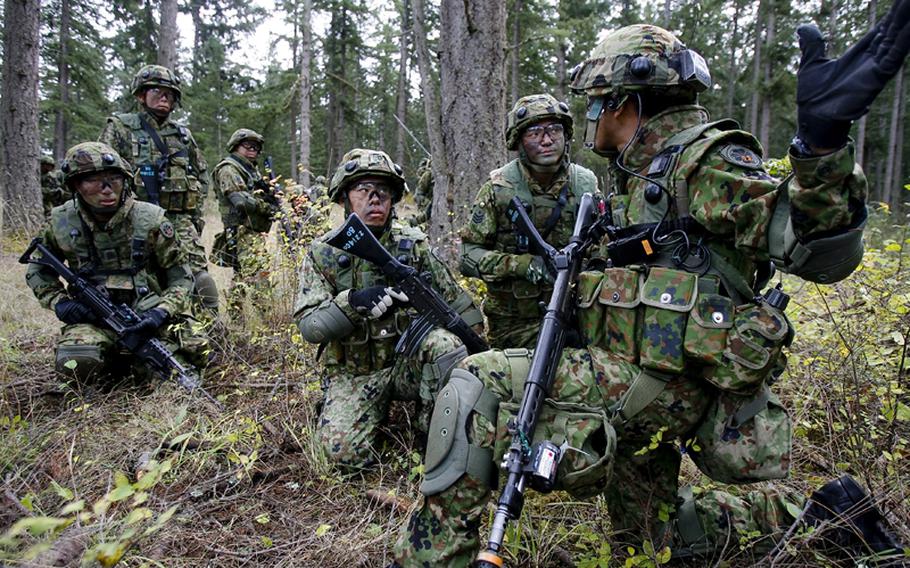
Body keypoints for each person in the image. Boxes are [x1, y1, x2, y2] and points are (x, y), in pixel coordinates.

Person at [394, 21, 908, 567]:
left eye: (596, 104)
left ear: (626, 103)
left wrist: (821, 147)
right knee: (647, 545)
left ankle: (431, 558)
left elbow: (809, 242)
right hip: (638, 365)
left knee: (478, 382)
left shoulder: (703, 161)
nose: (589, 118)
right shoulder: (638, 175)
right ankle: (820, 516)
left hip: (669, 382)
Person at [293, 148, 485, 470]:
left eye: (383, 191)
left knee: (447, 346)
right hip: (355, 373)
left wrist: (481, 359)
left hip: (405, 366)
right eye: (363, 190)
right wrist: (352, 302)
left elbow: (457, 304)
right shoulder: (324, 253)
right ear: (345, 198)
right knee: (342, 457)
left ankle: (431, 438)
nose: (375, 199)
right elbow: (310, 327)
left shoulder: (413, 245)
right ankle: (354, 415)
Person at [26, 142, 208, 383]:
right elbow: (39, 270)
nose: (107, 189)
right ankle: (110, 366)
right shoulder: (62, 222)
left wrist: (161, 312)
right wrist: (60, 303)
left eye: (114, 178)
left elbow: (181, 277)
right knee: (76, 361)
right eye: (94, 181)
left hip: (147, 317)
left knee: (191, 356)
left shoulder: (150, 219)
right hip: (93, 319)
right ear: (76, 185)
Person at [460, 93, 598, 349]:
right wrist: (522, 265)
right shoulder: (499, 189)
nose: (546, 140)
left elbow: (603, 247)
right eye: (534, 132)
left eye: (554, 130)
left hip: (576, 315)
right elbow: (468, 256)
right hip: (514, 325)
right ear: (519, 139)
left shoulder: (585, 185)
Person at [99, 64, 219, 314]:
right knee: (140, 279)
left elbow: (201, 173)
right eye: (157, 91)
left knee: (199, 277)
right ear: (141, 95)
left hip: (178, 220)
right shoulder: (120, 127)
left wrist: (194, 217)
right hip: (134, 218)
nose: (165, 97)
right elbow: (101, 171)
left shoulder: (183, 135)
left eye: (170, 93)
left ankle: (211, 335)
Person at [211, 128, 276, 292]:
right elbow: (240, 201)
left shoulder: (251, 171)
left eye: (255, 147)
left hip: (251, 230)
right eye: (247, 146)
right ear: (235, 146)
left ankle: (235, 316)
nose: (252, 151)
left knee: (241, 278)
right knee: (258, 278)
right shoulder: (229, 169)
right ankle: (267, 315)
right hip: (241, 231)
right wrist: (267, 208)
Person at [40, 156, 69, 220]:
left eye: (50, 166)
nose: (48, 168)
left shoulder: (51, 176)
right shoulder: (37, 175)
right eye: (46, 165)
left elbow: (56, 186)